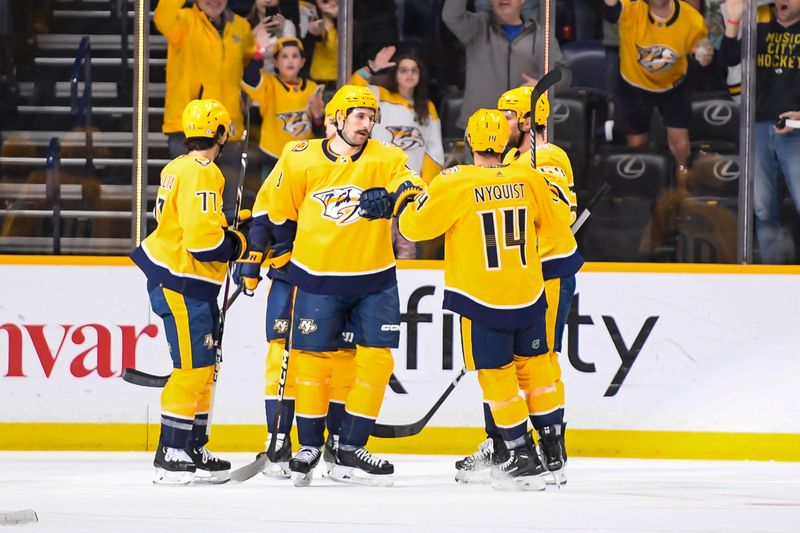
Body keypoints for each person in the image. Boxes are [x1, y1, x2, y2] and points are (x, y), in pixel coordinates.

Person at [385, 108, 583, 490]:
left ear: (471, 141)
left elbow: (413, 227)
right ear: (505, 140)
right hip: (529, 294)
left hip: (482, 298)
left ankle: (521, 455)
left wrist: (408, 198)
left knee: (498, 378)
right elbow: (558, 224)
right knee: (538, 371)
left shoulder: (455, 181)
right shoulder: (528, 174)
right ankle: (554, 454)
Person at [256, 85, 426, 487]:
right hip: (316, 276)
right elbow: (276, 213)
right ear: (336, 118)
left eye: (372, 118)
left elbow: (413, 186)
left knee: (377, 361)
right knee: (312, 362)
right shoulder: (300, 157)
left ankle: (350, 446)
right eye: (360, 116)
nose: (367, 125)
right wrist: (271, 254)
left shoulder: (388, 157)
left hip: (374, 278)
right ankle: (310, 444)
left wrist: (393, 197)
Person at [452, 87, 580, 486]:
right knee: (507, 368)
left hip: (548, 272)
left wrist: (536, 177)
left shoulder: (549, 157)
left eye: (508, 116)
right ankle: (505, 445)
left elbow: (561, 211)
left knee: (540, 365)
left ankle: (546, 450)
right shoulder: (511, 163)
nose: (500, 122)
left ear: (528, 121)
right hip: (516, 277)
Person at [233, 93, 358, 479]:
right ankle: (279, 439)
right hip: (292, 277)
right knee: (281, 357)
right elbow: (265, 212)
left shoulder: (369, 162)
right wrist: (255, 256)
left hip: (342, 277)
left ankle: (335, 444)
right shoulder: (297, 154)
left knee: (341, 359)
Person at [130, 99, 249, 485]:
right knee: (194, 368)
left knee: (205, 367)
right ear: (219, 133)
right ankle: (171, 451)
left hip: (186, 279)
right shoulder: (204, 171)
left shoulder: (176, 167)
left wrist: (224, 225)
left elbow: (187, 222)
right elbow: (202, 244)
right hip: (182, 281)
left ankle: (193, 444)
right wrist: (236, 244)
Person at [719, 0, 800, 264]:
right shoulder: (759, 27)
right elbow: (728, 60)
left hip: (797, 130)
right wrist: (733, 22)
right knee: (763, 208)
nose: (783, 2)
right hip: (758, 126)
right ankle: (773, 272)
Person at [154, 0, 255, 211]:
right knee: (187, 203)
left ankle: (225, 244)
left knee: (227, 207)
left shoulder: (242, 28)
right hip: (189, 131)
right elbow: (162, 17)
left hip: (228, 132)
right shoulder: (183, 20)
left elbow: (246, 66)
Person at [352, 45, 445, 258]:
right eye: (403, 69)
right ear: (395, 74)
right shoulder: (379, 97)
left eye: (414, 70)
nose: (409, 74)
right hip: (378, 181)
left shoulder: (427, 107)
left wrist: (425, 186)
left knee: (407, 245)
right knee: (378, 240)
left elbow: (434, 150)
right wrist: (373, 66)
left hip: (409, 187)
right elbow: (352, 88)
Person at [601, 0, 710, 171]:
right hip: (633, 86)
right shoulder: (632, 10)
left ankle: (682, 189)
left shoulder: (692, 19)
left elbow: (702, 48)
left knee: (680, 147)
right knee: (637, 146)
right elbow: (610, 11)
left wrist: (704, 55)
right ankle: (644, 185)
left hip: (673, 86)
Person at [442, 0, 571, 130]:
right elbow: (451, 16)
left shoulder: (540, 35)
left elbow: (564, 74)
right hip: (480, 130)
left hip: (523, 130)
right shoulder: (476, 27)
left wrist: (543, 85)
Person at [241, 37, 325, 180]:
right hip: (273, 158)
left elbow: (320, 132)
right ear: (275, 62)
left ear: (302, 62)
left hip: (303, 160)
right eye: (284, 56)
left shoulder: (312, 88)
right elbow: (249, 78)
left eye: (295, 56)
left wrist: (318, 116)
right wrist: (259, 50)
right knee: (270, 201)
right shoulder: (269, 83)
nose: (290, 60)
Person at [247, 0, 297, 74]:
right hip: (250, 79)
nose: (268, 1)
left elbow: (290, 59)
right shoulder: (244, 25)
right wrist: (253, 35)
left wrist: (281, 34)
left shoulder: (287, 26)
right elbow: (238, 58)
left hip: (277, 79)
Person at [301, 0, 339, 85]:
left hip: (339, 83)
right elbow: (316, 29)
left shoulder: (347, 27)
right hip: (315, 83)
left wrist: (338, 17)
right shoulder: (315, 26)